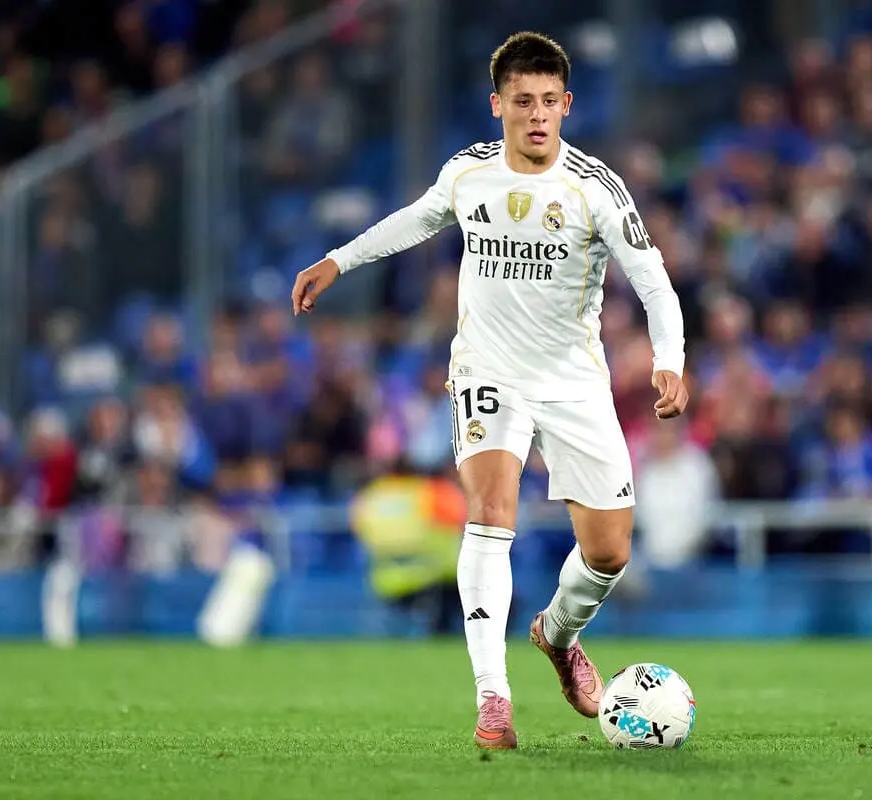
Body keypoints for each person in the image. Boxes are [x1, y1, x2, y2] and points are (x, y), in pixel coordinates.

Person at [290, 31, 688, 749]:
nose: (536, 115)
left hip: (572, 380)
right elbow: (416, 217)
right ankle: (493, 700)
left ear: (566, 106)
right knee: (491, 511)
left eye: (549, 103)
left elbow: (652, 277)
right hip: (487, 370)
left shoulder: (592, 186)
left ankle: (558, 636)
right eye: (522, 102)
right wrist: (338, 260)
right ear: (497, 104)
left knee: (609, 553)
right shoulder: (468, 173)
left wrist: (670, 357)